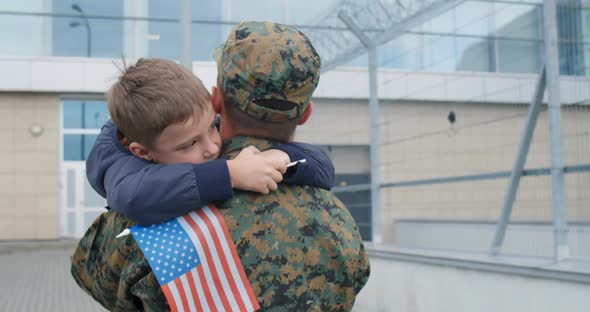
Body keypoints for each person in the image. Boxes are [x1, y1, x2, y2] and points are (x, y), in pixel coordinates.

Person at [73, 21, 370, 311]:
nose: (210, 147)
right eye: (189, 143)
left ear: (215, 100)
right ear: (305, 114)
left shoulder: (145, 225)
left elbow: (91, 271)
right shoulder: (340, 223)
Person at [86, 58, 335, 226]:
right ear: (142, 152)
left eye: (212, 127)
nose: (212, 147)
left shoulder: (186, 129)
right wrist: (230, 173)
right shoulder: (120, 165)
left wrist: (284, 158)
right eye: (189, 144)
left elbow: (322, 165)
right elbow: (134, 197)